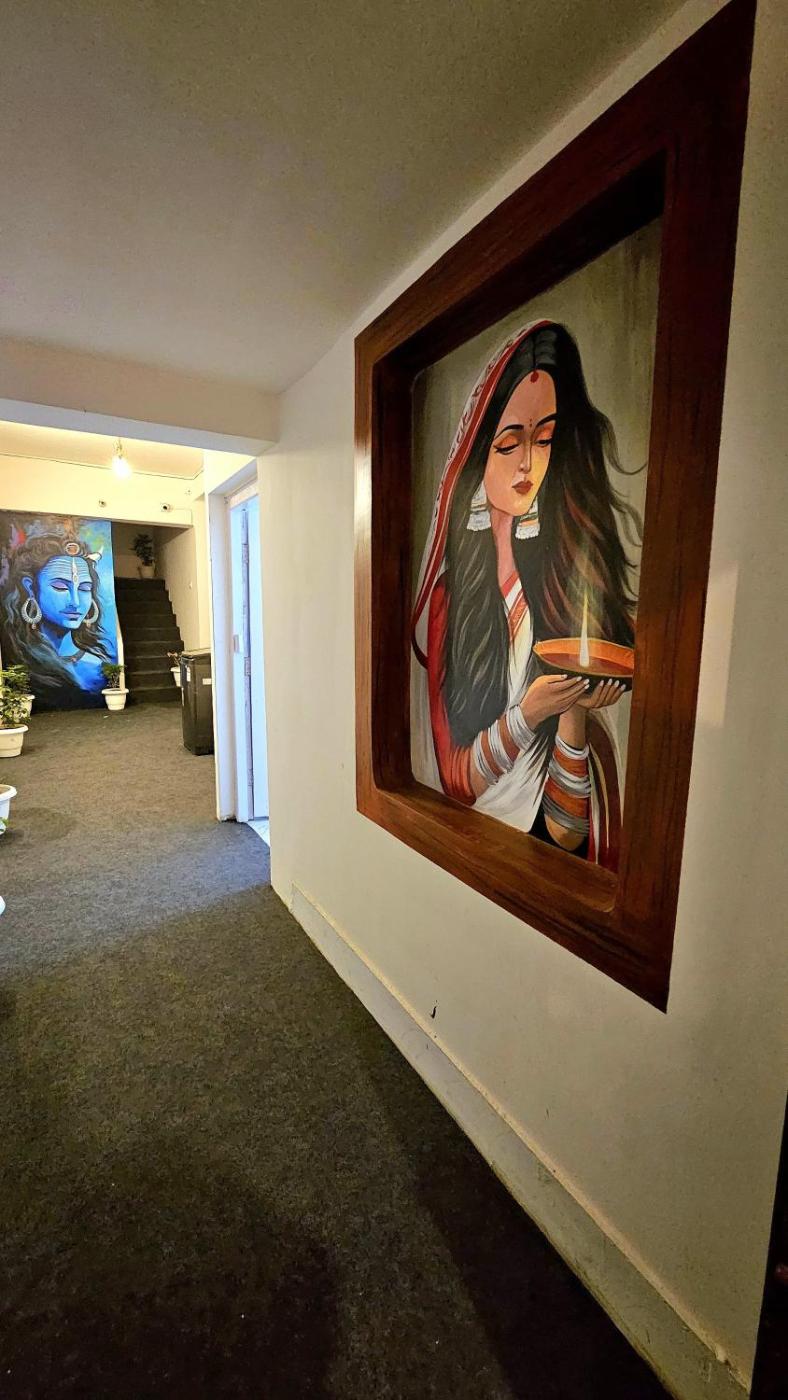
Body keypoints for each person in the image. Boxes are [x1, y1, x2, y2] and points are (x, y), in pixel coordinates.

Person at [411, 319, 641, 868]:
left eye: (543, 440)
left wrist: (573, 709)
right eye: (510, 443)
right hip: (475, 833)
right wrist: (529, 713)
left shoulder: (561, 574)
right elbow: (456, 781)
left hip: (551, 834)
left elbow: (566, 834)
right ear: (476, 455)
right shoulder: (451, 599)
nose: (528, 465)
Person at [1, 533, 114, 707]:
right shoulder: (19, 656)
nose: (75, 602)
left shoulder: (97, 663)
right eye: (60, 587)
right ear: (30, 587)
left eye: (84, 589)